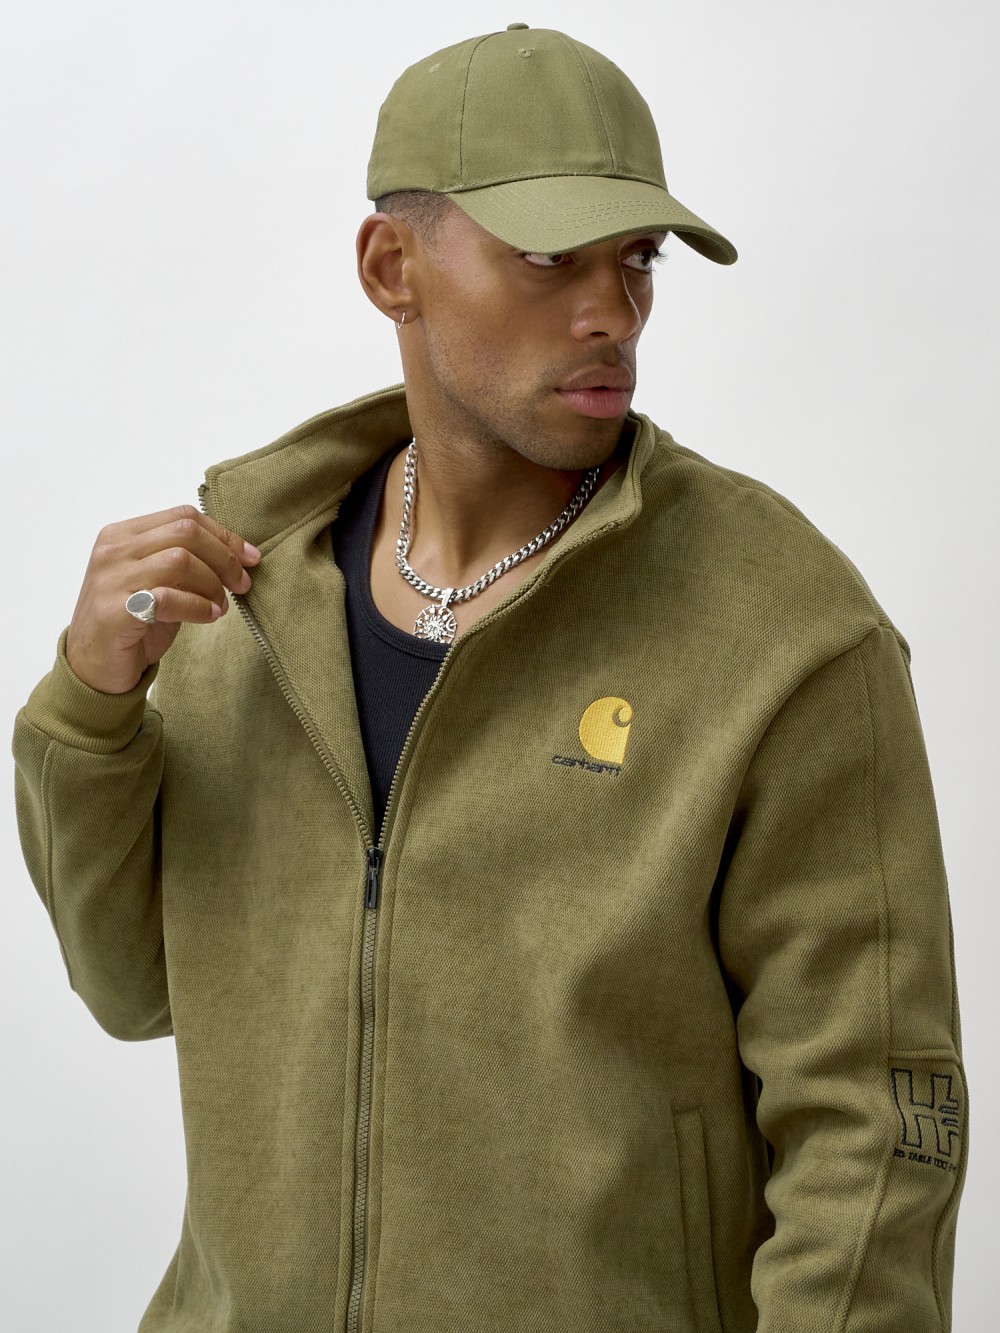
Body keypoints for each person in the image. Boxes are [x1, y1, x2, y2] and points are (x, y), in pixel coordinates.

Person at [12, 23, 966, 1333]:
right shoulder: (243, 590)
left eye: (636, 258)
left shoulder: (784, 630)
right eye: (548, 258)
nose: (612, 311)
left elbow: (876, 1126)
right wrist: (91, 708)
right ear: (390, 267)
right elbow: (135, 990)